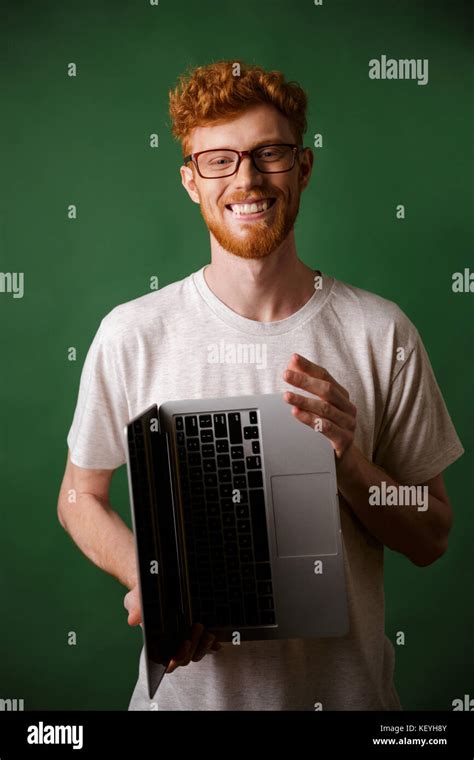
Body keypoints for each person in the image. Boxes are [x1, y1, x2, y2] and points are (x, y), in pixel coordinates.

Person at [57, 60, 464, 711]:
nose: (246, 178)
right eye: (219, 160)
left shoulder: (381, 331)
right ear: (191, 181)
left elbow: (433, 534)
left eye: (268, 153)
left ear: (302, 168)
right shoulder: (131, 333)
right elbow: (78, 497)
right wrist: (152, 580)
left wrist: (350, 462)